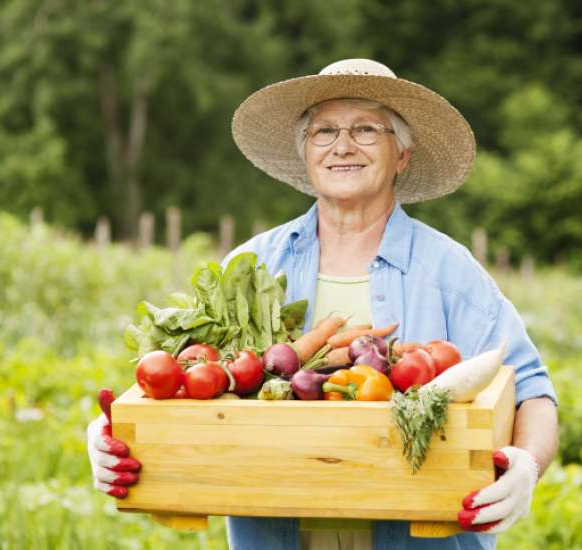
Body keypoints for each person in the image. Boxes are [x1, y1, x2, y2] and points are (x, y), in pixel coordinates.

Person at [87, 58, 558, 550]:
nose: (343, 146)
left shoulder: (447, 269)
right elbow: (186, 375)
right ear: (306, 155)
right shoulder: (255, 264)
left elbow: (533, 393)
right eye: (324, 131)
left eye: (366, 129)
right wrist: (109, 431)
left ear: (402, 155)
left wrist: (525, 464)